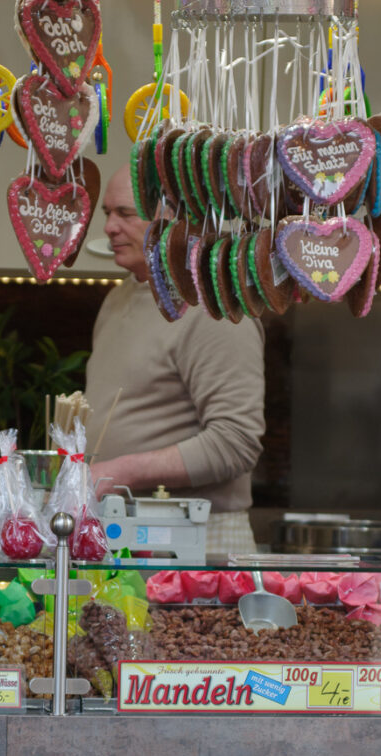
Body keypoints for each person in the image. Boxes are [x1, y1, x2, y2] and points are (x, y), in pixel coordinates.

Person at [86, 165, 266, 553]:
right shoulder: (119, 298)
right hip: (128, 529)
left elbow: (236, 442)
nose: (109, 228)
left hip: (199, 536)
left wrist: (117, 472)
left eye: (126, 213)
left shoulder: (212, 304)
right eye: (107, 214)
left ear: (173, 219)